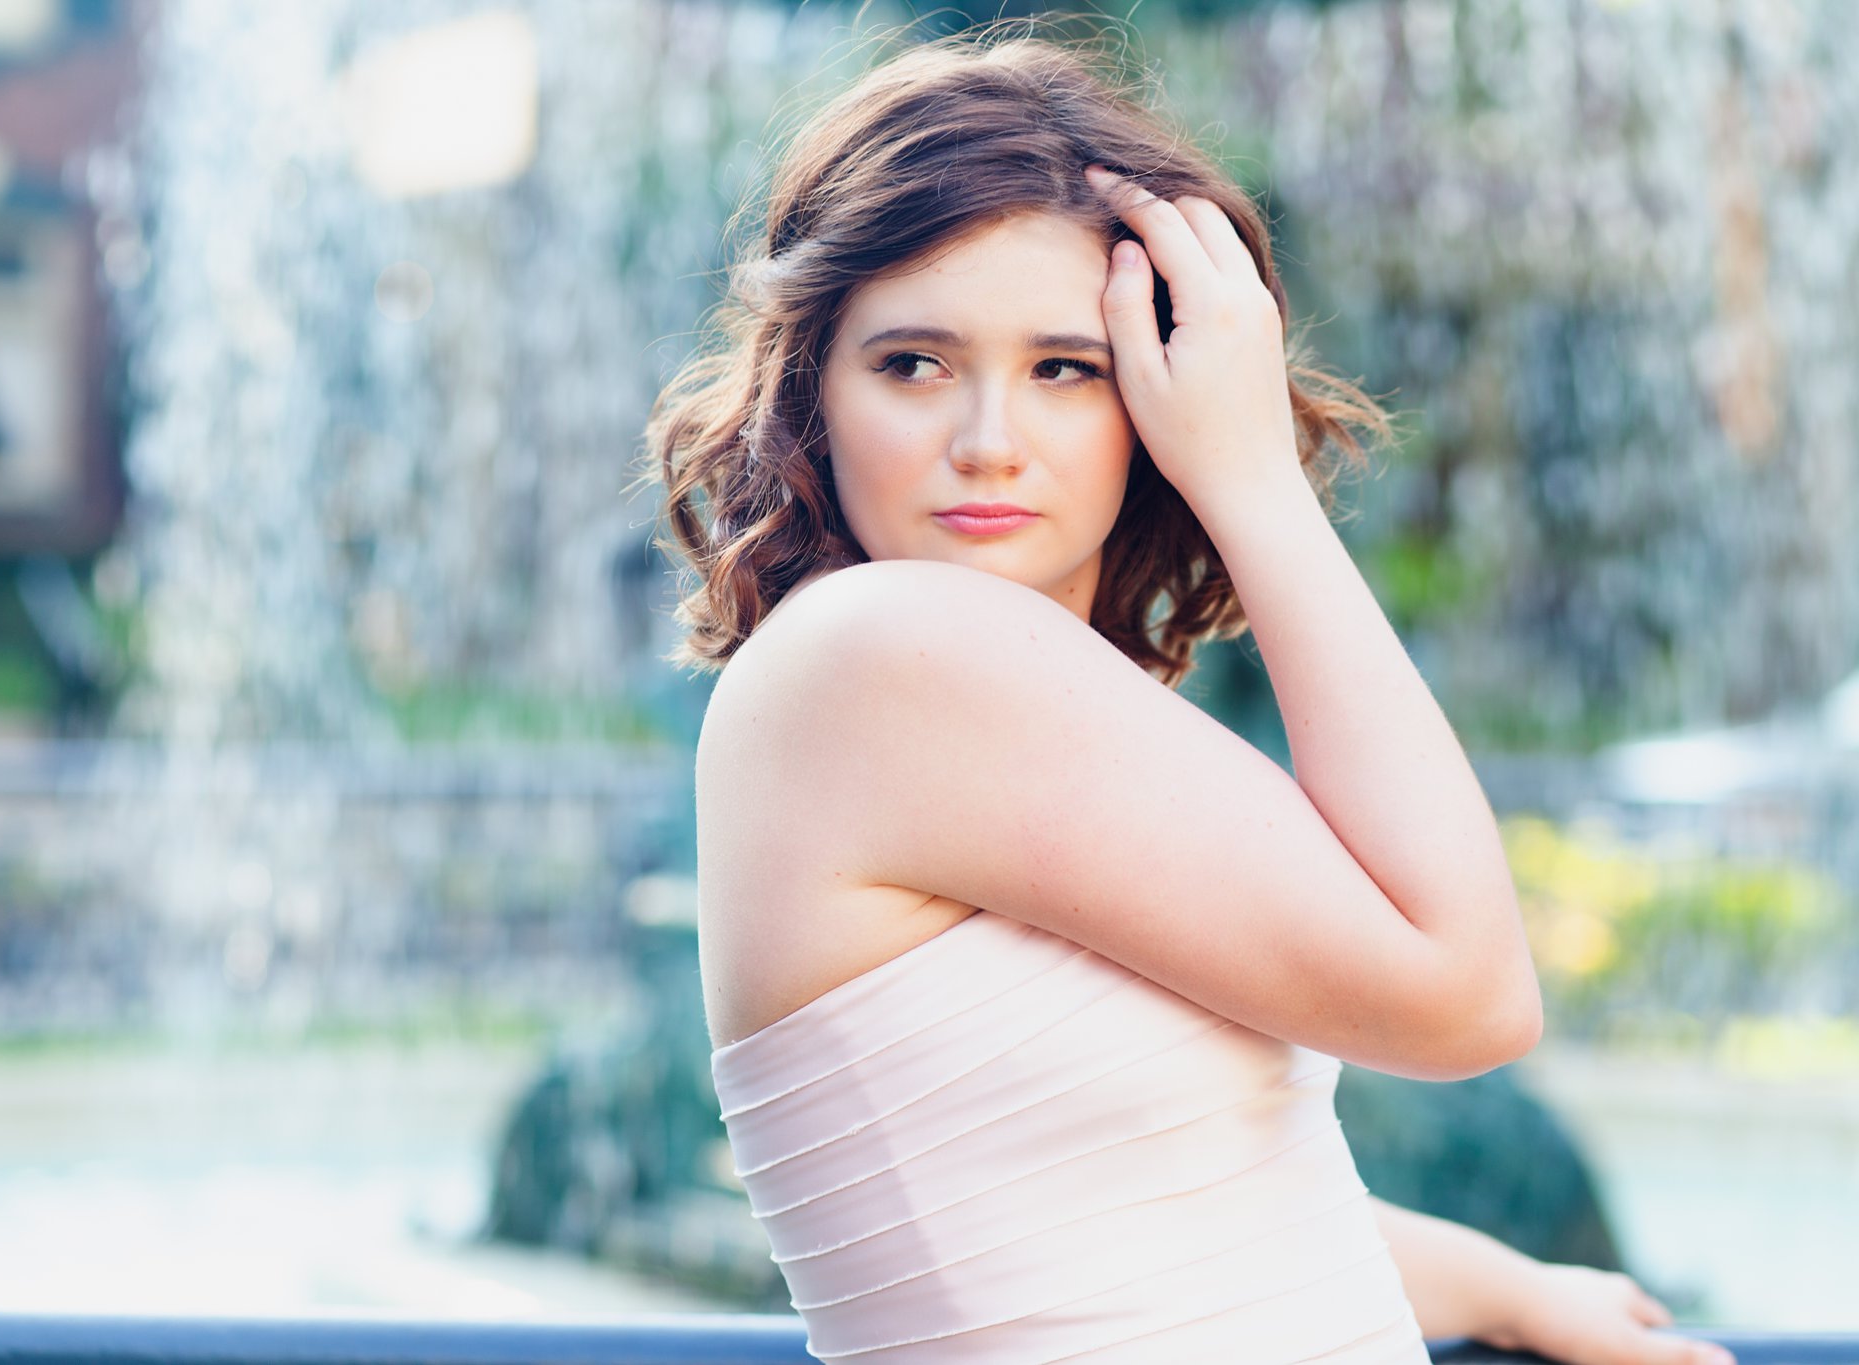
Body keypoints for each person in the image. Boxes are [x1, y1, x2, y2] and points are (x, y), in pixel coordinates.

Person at [642, 27, 1733, 1365]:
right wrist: (1257, 482)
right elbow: (1471, 993)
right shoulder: (885, 652)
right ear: (814, 388)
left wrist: (1500, 1286)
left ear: (1147, 391)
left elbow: (1122, 1201)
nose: (989, 441)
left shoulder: (927, 688)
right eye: (914, 363)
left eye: (1064, 368)